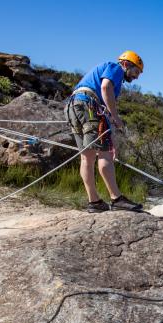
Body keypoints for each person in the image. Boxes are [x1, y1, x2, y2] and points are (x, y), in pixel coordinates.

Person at [64, 51, 144, 213]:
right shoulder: (115, 68)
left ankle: (94, 202)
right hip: (89, 106)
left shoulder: (107, 70)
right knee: (105, 154)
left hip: (74, 105)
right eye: (136, 71)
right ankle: (116, 199)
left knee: (87, 157)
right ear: (126, 64)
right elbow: (106, 87)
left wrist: (112, 130)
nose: (136, 77)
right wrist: (115, 116)